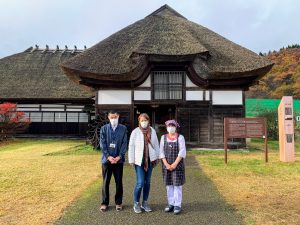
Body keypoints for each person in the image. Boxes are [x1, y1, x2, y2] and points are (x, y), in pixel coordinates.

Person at [128, 113, 160, 213]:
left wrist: (158, 157)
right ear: (139, 121)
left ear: (148, 121)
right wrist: (131, 159)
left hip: (150, 160)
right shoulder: (135, 132)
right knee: (140, 182)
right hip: (139, 160)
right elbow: (131, 146)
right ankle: (136, 203)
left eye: (145, 120)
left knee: (147, 182)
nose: (144, 122)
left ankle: (145, 202)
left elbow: (156, 144)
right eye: (142, 120)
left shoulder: (152, 131)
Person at [99, 110, 128, 212]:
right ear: (108, 118)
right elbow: (102, 144)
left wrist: (120, 156)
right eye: (111, 117)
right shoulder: (104, 129)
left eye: (115, 117)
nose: (113, 119)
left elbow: (125, 143)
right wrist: (108, 157)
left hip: (118, 161)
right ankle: (104, 202)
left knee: (119, 182)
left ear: (118, 116)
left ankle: (118, 202)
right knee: (105, 182)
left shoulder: (123, 129)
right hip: (106, 161)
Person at [159, 119, 186, 215]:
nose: (171, 127)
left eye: (172, 126)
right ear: (166, 127)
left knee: (177, 185)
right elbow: (161, 152)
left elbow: (182, 152)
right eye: (169, 126)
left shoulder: (180, 137)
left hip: (177, 165)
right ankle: (171, 203)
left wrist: (174, 164)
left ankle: (177, 204)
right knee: (169, 185)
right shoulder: (163, 137)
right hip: (166, 165)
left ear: (176, 127)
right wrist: (166, 164)